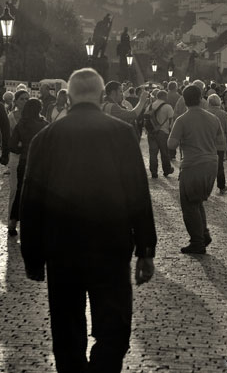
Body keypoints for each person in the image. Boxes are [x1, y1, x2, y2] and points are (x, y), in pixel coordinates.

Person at [20, 68, 157, 373]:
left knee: (67, 332)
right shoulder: (122, 134)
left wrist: (32, 256)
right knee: (115, 328)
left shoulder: (45, 138)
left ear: (67, 97)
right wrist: (146, 249)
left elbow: (31, 201)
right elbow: (138, 193)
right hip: (111, 247)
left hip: (62, 250)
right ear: (100, 95)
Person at [168, 85, 223, 254]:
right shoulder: (214, 119)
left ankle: (197, 242)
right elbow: (221, 144)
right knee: (197, 201)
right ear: (201, 99)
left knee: (189, 205)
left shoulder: (182, 120)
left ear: (184, 100)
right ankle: (204, 234)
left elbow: (171, 144)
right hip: (211, 163)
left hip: (192, 165)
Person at [9, 98, 48, 234]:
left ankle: (13, 223)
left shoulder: (21, 124)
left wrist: (22, 148)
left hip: (24, 161)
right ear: (40, 109)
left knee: (20, 192)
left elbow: (12, 146)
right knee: (38, 195)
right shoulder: (45, 125)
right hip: (41, 164)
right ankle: (34, 224)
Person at [7, 89, 30, 235]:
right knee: (15, 189)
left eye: (27, 99)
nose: (25, 101)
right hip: (15, 157)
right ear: (15, 101)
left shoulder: (33, 117)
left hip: (28, 157)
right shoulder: (11, 117)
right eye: (22, 99)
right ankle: (11, 221)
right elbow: (9, 139)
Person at [207, 94, 227, 195]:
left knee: (207, 165)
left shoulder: (205, 113)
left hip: (207, 142)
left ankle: (206, 185)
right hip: (220, 143)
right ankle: (221, 186)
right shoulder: (224, 114)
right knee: (219, 166)